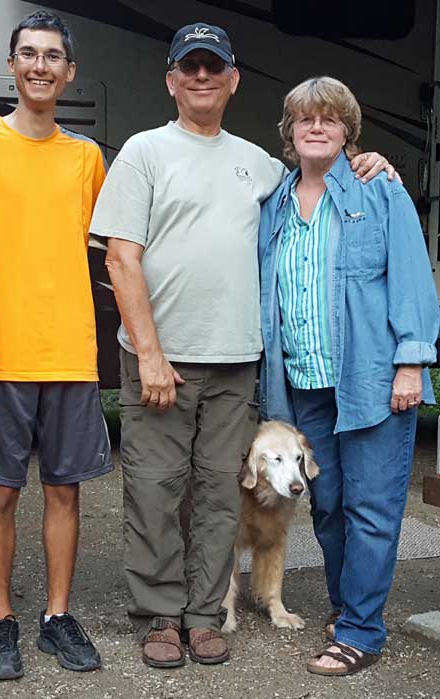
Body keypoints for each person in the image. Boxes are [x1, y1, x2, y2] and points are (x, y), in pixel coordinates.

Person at [90, 23, 395, 669]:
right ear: (171, 80)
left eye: (214, 68)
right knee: (154, 491)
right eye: (189, 68)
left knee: (222, 496)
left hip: (236, 363)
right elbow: (121, 257)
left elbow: (323, 184)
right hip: (161, 360)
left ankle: (205, 614)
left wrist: (371, 162)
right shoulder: (144, 151)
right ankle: (158, 616)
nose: (201, 77)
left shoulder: (262, 165)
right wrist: (149, 353)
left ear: (232, 81)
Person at [0, 10, 112, 680]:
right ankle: (0, 619)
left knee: (65, 493)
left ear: (69, 73)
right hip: (0, 353)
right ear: (11, 66)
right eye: (28, 54)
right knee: (1, 494)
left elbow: (106, 251)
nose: (41, 66)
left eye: (53, 57)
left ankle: (56, 617)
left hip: (69, 351)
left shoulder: (87, 157)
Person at [259, 76, 440, 676]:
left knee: (372, 507)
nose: (317, 127)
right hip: (304, 383)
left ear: (347, 133)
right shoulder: (274, 204)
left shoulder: (379, 190)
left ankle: (361, 630)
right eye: (306, 119)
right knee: (327, 504)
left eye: (331, 120)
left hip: (373, 381)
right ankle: (347, 606)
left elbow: (413, 277)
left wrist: (411, 361)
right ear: (289, 131)